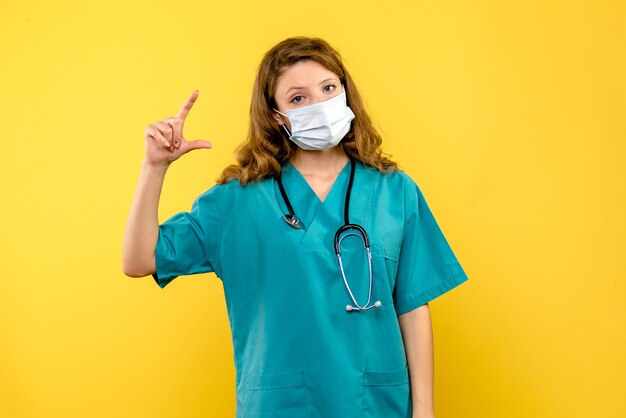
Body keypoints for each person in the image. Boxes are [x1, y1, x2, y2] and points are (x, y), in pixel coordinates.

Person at [122, 36, 469, 418]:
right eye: (298, 98)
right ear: (276, 115)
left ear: (345, 92)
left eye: (328, 88)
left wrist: (424, 410)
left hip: (373, 404)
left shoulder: (395, 191)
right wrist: (154, 167)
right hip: (279, 405)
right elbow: (139, 260)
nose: (319, 104)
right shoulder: (239, 201)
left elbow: (413, 305)